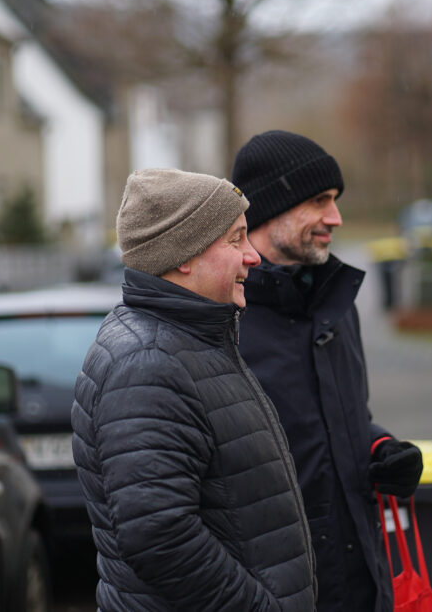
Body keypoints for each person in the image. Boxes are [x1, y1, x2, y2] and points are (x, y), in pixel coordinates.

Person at [71, 168, 316, 611]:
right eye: (236, 239)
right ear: (184, 254)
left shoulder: (191, 339)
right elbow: (158, 534)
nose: (253, 256)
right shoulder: (147, 362)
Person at [232, 131, 425, 612]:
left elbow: (344, 418)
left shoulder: (336, 306)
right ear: (270, 208)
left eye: (334, 201)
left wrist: (379, 448)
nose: (335, 218)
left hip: (361, 580)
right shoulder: (222, 323)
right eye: (319, 201)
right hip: (278, 591)